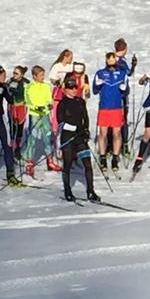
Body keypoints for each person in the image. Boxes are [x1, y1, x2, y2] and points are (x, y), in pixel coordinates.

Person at [56, 73, 100, 203]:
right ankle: (67, 191)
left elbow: (85, 118)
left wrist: (86, 130)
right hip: (68, 138)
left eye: (75, 87)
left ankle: (90, 191)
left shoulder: (80, 101)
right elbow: (61, 123)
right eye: (71, 88)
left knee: (87, 164)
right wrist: (74, 129)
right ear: (66, 89)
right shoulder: (62, 104)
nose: (74, 90)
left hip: (80, 138)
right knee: (68, 164)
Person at [93, 52, 128, 172]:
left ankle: (115, 157)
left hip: (117, 108)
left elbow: (125, 91)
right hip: (104, 107)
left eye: (113, 63)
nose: (112, 66)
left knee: (116, 133)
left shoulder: (122, 74)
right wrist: (98, 85)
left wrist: (123, 88)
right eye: (109, 63)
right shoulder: (100, 73)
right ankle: (102, 157)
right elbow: (94, 90)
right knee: (102, 133)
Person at [22, 65, 59, 176]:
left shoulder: (46, 86)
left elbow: (49, 99)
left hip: (45, 116)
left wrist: (49, 105)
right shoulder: (29, 87)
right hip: (35, 115)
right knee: (32, 139)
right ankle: (29, 162)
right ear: (34, 76)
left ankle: (50, 161)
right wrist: (36, 107)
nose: (43, 77)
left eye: (43, 75)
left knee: (47, 137)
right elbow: (27, 101)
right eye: (41, 75)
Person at [113, 39, 138, 156]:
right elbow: (128, 73)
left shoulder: (113, 59)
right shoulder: (120, 62)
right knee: (122, 120)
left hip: (115, 94)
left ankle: (113, 144)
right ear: (124, 49)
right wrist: (133, 66)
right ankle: (124, 144)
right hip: (121, 94)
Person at [7, 65, 30, 158]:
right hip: (12, 106)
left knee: (20, 127)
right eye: (13, 72)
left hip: (21, 106)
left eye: (16, 73)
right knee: (12, 127)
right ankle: (11, 147)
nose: (14, 75)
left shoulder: (26, 82)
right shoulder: (10, 81)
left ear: (21, 75)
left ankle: (17, 148)